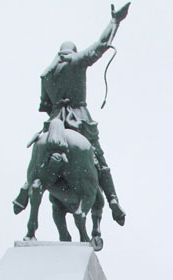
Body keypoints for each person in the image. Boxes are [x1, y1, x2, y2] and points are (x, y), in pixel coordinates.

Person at [13, 3, 130, 225]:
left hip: (55, 119)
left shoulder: (46, 74)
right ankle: (113, 201)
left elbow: (45, 105)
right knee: (99, 159)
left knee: (40, 154)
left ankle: (25, 189)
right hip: (79, 117)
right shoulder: (76, 62)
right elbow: (101, 45)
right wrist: (115, 22)